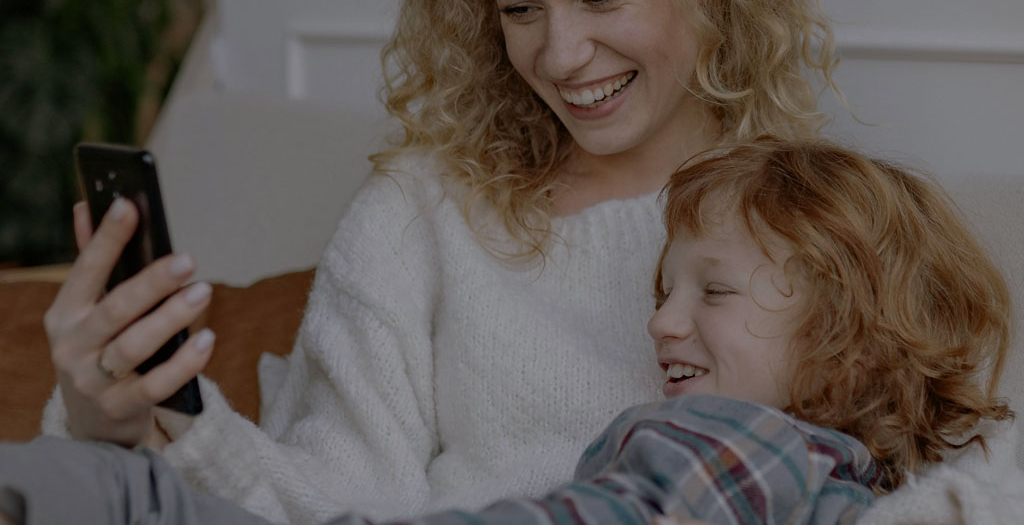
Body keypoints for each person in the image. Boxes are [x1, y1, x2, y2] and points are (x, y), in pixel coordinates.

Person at [38, 0, 838, 525]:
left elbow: (874, 462)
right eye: (519, 10)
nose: (560, 57)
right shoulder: (423, 209)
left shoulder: (805, 213)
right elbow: (335, 500)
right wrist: (136, 424)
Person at [4, 138, 1016, 525]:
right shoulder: (789, 459)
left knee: (109, 495)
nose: (661, 320)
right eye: (663, 289)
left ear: (846, 343)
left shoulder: (743, 444)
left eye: (710, 293)